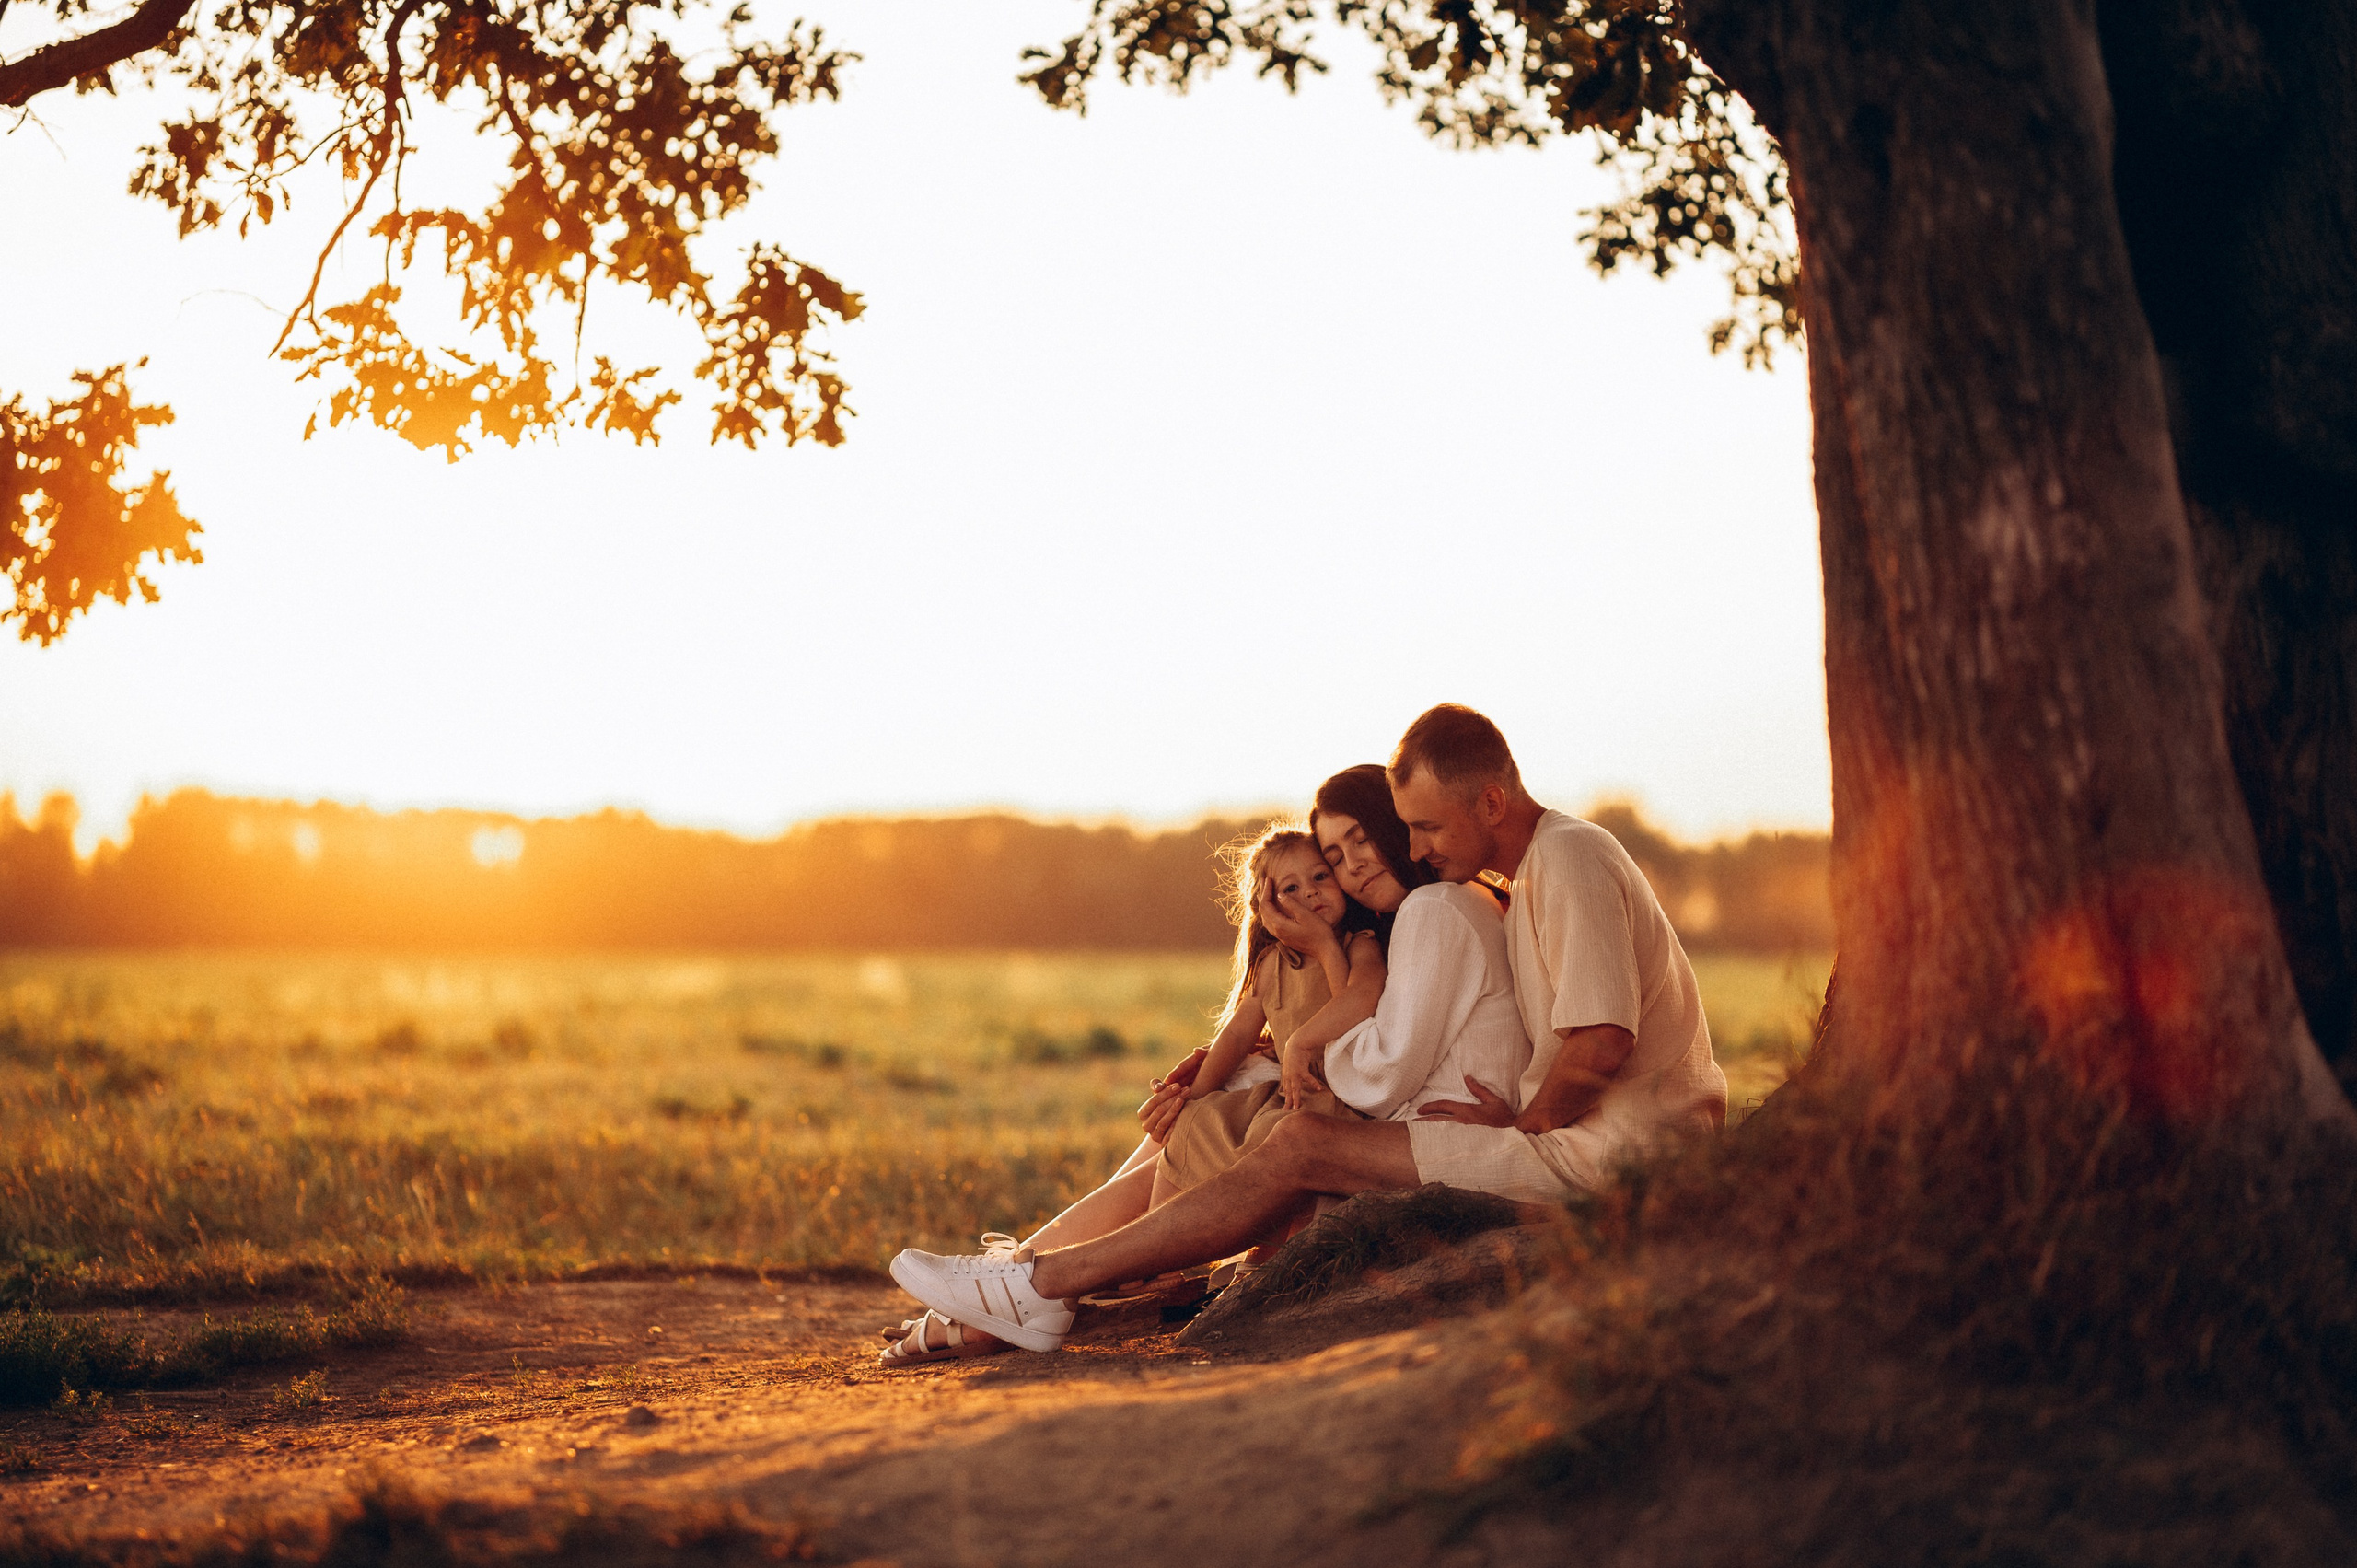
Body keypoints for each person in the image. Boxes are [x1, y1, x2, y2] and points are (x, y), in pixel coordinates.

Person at [884, 711, 1726, 1353]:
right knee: (1265, 1125)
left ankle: (1038, 1282)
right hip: (1576, 1141)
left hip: (1611, 1157)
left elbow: (1600, 1041)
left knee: (1299, 1144)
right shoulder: (1518, 881)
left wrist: (1514, 1127)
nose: (1417, 847)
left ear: (1493, 800)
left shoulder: (1567, 859)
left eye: (1424, 828)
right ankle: (1026, 1282)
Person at [877, 816, 1391, 1366]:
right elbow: (1232, 1041)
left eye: (1320, 877)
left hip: (1321, 1110)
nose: (1312, 893)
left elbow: (1357, 1008)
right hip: (1280, 1101)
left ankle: (1027, 1284)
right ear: (1266, 906)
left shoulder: (1358, 945)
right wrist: (1192, 1100)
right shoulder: (1271, 966)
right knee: (1192, 1126)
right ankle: (1044, 1279)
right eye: (1291, 888)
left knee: (1247, 1137)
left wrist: (1319, 956)